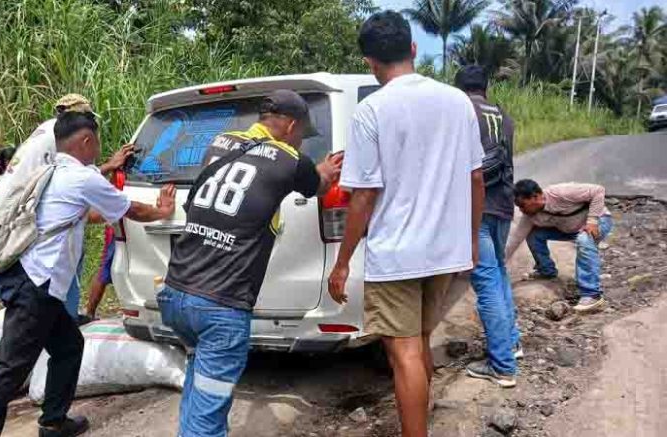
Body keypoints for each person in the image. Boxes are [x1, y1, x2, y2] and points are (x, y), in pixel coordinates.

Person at [0, 111, 177, 437]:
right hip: (36, 284)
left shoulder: (52, 171)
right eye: (97, 142)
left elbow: (82, 215)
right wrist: (162, 211)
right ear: (86, 140)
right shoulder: (83, 177)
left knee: (68, 346)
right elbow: (131, 209)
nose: (98, 149)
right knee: (10, 367)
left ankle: (53, 422)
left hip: (37, 283)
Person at [326, 11, 485, 437]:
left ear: (369, 62)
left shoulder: (372, 110)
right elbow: (475, 178)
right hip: (445, 252)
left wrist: (342, 263)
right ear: (413, 49)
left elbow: (363, 195)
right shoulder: (458, 102)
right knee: (420, 343)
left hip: (397, 256)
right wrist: (470, 240)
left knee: (406, 354)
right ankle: (420, 423)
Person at [157, 89, 342, 437]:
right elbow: (316, 186)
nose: (301, 141)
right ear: (289, 125)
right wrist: (325, 170)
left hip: (176, 295)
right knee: (208, 422)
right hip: (220, 307)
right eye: (302, 134)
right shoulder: (291, 160)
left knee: (199, 390)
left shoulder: (221, 141)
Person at [0, 94, 131, 368]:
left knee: (71, 258)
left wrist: (105, 169)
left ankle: (68, 319)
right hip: (12, 212)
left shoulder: (46, 131)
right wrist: (107, 169)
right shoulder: (57, 138)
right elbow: (72, 180)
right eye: (86, 118)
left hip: (13, 207)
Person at [455, 66, 522, 388]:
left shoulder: (460, 111)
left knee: (485, 280)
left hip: (477, 207)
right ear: (486, 86)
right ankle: (512, 344)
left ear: (458, 87)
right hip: (504, 204)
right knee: (499, 274)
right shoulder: (503, 116)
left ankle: (502, 365)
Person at [505, 179, 614, 313]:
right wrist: (499, 263)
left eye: (523, 205)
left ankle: (592, 295)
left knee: (584, 240)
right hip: (570, 229)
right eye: (518, 206)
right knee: (533, 235)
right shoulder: (529, 217)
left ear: (535, 197)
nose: (521, 210)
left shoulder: (560, 193)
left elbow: (598, 190)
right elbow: (514, 240)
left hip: (598, 222)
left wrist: (592, 220)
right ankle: (546, 271)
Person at [79, 224, 115, 324]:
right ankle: (89, 313)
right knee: (104, 271)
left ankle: (89, 313)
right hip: (119, 227)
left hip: (121, 226)